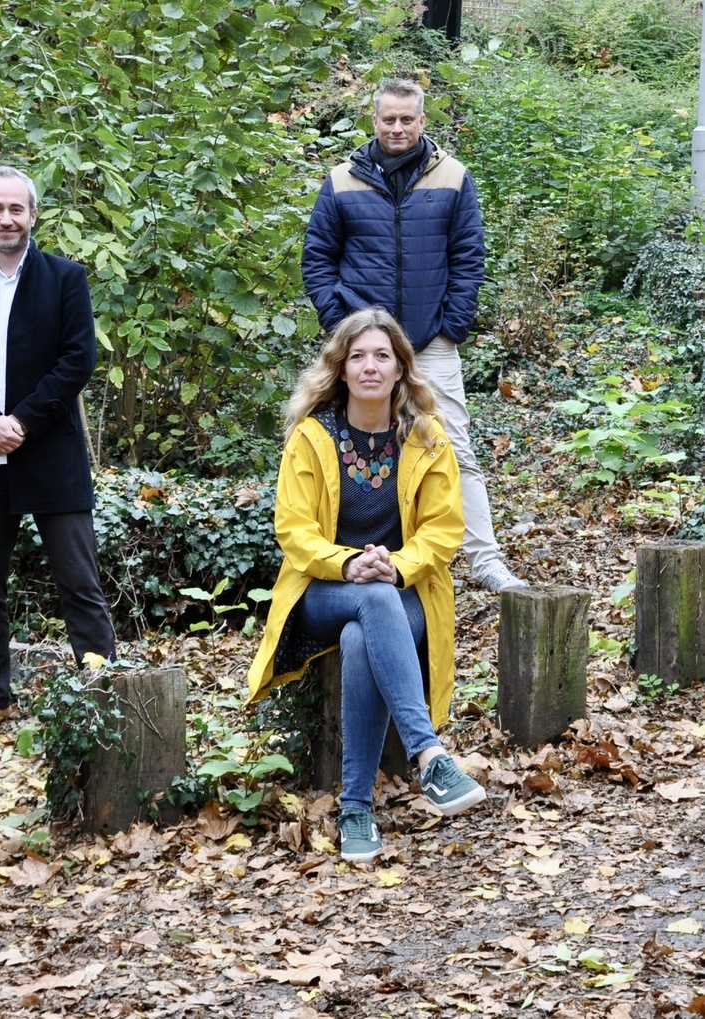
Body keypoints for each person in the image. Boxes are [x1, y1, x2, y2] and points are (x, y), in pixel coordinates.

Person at [246, 308, 486, 863]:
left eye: (382, 356)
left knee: (364, 633)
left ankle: (355, 808)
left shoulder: (427, 436)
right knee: (369, 601)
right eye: (358, 356)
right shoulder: (313, 436)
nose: (370, 366)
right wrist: (350, 563)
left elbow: (445, 529)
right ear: (341, 368)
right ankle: (429, 757)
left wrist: (398, 566)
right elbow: (294, 529)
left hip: (406, 591)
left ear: (401, 368)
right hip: (323, 590)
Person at [301, 77, 526, 593]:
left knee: (454, 448)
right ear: (374, 121)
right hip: (363, 344)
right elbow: (318, 260)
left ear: (423, 121)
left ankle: (485, 561)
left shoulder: (452, 177)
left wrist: (453, 324)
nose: (397, 127)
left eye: (408, 118)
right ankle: (351, 558)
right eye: (389, 119)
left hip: (431, 342)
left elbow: (468, 258)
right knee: (344, 445)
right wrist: (343, 330)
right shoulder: (341, 181)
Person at [0, 166, 116, 737]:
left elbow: (77, 360)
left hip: (49, 452)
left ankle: (100, 694)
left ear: (33, 215)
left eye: (16, 209)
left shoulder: (65, 278)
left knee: (78, 582)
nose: (5, 218)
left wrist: (23, 423)